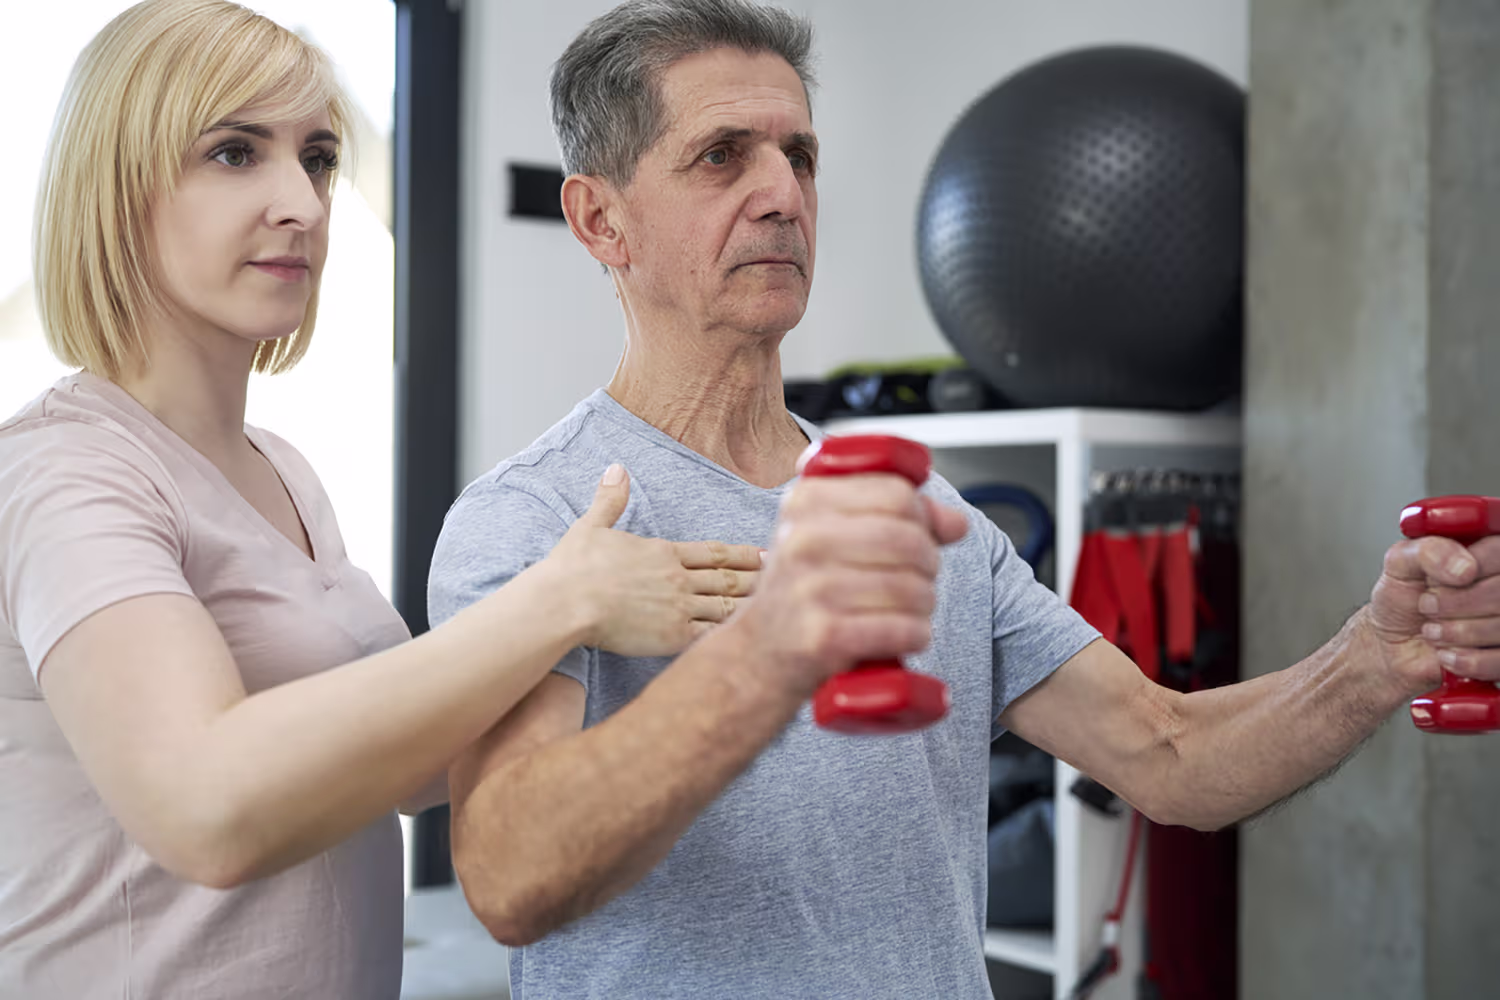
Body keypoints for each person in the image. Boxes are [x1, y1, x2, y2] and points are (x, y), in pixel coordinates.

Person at [426, 1, 1500, 998]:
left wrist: (1373, 658)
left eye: (799, 154)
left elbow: (1169, 754)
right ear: (600, 220)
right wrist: (771, 650)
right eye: (722, 157)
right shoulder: (536, 517)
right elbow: (511, 879)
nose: (783, 193)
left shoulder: (922, 512)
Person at [0, 2, 767, 997]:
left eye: (317, 157)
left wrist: (695, 648)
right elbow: (207, 807)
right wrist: (560, 600)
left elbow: (403, 767)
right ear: (116, 187)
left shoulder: (281, 471)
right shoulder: (65, 471)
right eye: (235, 153)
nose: (305, 205)